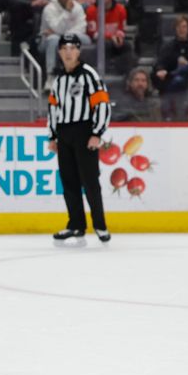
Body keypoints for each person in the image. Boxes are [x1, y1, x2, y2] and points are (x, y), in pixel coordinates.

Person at [47, 34, 111, 243]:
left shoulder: (89, 75)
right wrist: (53, 135)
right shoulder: (59, 80)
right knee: (69, 182)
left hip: (85, 132)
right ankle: (76, 224)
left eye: (72, 48)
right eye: (64, 48)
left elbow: (102, 104)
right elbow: (53, 108)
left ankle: (100, 225)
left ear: (79, 51)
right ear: (58, 52)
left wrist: (97, 133)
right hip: (64, 133)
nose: (68, 52)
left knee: (90, 181)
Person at [153, 15, 188, 118]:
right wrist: (161, 70)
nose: (181, 30)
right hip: (174, 78)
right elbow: (160, 62)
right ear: (175, 29)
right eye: (179, 27)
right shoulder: (168, 46)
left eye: (184, 27)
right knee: (178, 80)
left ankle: (180, 72)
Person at [38, 0, 90, 86]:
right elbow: (57, 27)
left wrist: (63, 35)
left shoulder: (77, 7)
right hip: (47, 43)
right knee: (53, 39)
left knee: (86, 39)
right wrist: (66, 12)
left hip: (66, 38)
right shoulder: (49, 9)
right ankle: (50, 77)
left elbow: (82, 27)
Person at [85, 0, 135, 75]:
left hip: (115, 39)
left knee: (127, 45)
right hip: (99, 41)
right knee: (105, 45)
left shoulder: (121, 9)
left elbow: (121, 29)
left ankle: (127, 75)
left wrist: (118, 38)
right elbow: (92, 33)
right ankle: (105, 75)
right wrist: (111, 37)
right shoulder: (91, 10)